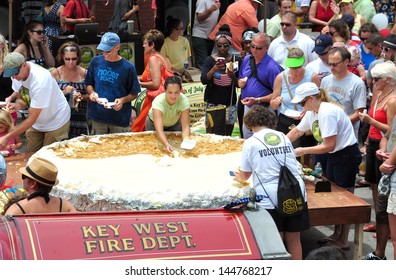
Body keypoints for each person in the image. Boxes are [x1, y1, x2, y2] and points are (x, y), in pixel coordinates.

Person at [287, 82, 362, 251]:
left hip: (345, 155)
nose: (301, 106)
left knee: (345, 199)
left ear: (312, 99)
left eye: (302, 102)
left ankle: (343, 239)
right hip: (335, 154)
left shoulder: (326, 112)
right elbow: (297, 131)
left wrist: (301, 150)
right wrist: (280, 142)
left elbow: (329, 144)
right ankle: (337, 234)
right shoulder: (314, 110)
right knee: (335, 195)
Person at [234, 105, 309, 260]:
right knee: (294, 239)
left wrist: (238, 177)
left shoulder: (251, 142)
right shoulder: (282, 136)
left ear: (251, 124)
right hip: (295, 191)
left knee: (276, 240)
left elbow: (245, 175)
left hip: (270, 197)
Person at [360, 61, 396, 260]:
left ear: (388, 80)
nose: (373, 81)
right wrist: (367, 142)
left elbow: (393, 131)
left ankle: (385, 227)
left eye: (377, 79)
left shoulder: (393, 100)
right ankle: (382, 223)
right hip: (376, 144)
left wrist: (371, 122)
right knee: (375, 188)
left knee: (384, 195)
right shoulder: (378, 93)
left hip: (388, 150)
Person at [1, 52, 70, 153]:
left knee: (49, 158)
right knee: (31, 155)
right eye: (11, 74)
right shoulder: (17, 74)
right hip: (37, 121)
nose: (14, 77)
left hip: (56, 120)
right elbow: (22, 96)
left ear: (24, 64)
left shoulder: (40, 79)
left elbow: (32, 118)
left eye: (15, 73)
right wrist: (18, 105)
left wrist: (7, 137)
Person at [86, 32, 141, 135]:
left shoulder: (128, 67)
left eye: (108, 50)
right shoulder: (95, 61)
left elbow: (134, 93)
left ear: (117, 47)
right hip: (98, 117)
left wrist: (122, 100)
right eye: (103, 50)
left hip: (119, 119)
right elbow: (89, 83)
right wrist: (92, 93)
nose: (105, 53)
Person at [270, 47, 320, 147]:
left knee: (306, 151)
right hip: (285, 119)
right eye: (292, 67)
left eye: (298, 67)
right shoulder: (281, 77)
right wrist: (276, 102)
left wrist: (308, 110)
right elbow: (273, 104)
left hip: (306, 119)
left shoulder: (312, 77)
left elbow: (319, 101)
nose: (295, 70)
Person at [238, 32, 283, 139]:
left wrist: (257, 99)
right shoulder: (247, 59)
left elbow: (277, 93)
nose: (254, 50)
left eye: (258, 48)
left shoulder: (272, 67)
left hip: (265, 109)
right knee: (247, 138)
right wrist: (240, 83)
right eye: (252, 46)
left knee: (265, 139)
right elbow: (240, 78)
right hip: (248, 107)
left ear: (267, 48)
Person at [201, 24, 242, 136]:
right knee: (210, 135)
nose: (222, 49)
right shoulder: (209, 60)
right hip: (213, 102)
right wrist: (213, 70)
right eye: (219, 45)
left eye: (225, 46)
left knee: (227, 136)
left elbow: (239, 84)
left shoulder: (235, 60)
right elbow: (204, 80)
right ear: (215, 45)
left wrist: (232, 75)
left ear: (230, 45)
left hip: (229, 103)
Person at [320, 47, 366, 139]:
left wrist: (339, 124)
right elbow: (321, 104)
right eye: (330, 64)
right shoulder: (325, 80)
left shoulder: (357, 83)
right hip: (326, 132)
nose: (332, 68)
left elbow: (359, 113)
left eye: (335, 64)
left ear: (346, 62)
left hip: (347, 135)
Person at [132, 29, 172, 132]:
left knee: (138, 130)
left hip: (154, 101)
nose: (143, 46)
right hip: (162, 101)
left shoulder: (153, 59)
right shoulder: (164, 58)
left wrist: (140, 83)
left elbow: (156, 84)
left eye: (145, 43)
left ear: (152, 45)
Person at [4, 157, 77, 215]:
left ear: (33, 184)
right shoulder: (65, 206)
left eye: (24, 176)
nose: (23, 179)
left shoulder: (16, 210)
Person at [51, 41, 89, 138]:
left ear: (78, 58)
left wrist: (82, 96)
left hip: (80, 118)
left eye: (74, 59)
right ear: (62, 57)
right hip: (60, 118)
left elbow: (92, 95)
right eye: (67, 59)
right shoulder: (55, 73)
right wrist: (64, 92)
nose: (71, 62)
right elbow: (47, 96)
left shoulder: (85, 73)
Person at [145, 76, 191, 154]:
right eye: (170, 92)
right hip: (153, 124)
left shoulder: (184, 101)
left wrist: (186, 140)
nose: (173, 96)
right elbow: (159, 130)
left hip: (174, 124)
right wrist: (166, 144)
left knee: (178, 146)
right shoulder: (158, 102)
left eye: (176, 92)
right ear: (165, 91)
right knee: (155, 150)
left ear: (180, 91)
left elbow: (185, 126)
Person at [192, 0, 221, 70]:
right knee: (202, 62)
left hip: (211, 36)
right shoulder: (202, 1)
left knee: (209, 61)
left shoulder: (216, 1)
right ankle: (200, 80)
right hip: (200, 35)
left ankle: (207, 79)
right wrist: (210, 10)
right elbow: (199, 18)